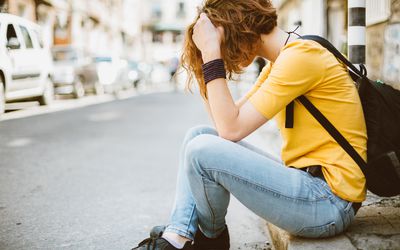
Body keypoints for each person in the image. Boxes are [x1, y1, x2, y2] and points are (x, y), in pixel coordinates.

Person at [132, 0, 367, 249]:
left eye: (221, 42)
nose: (223, 52)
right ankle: (180, 233)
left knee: (202, 149)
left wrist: (212, 54)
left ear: (237, 28)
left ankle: (198, 239)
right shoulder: (282, 61)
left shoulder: (302, 57)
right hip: (310, 188)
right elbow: (226, 125)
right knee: (198, 135)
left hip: (328, 203)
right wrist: (204, 64)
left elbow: (230, 129)